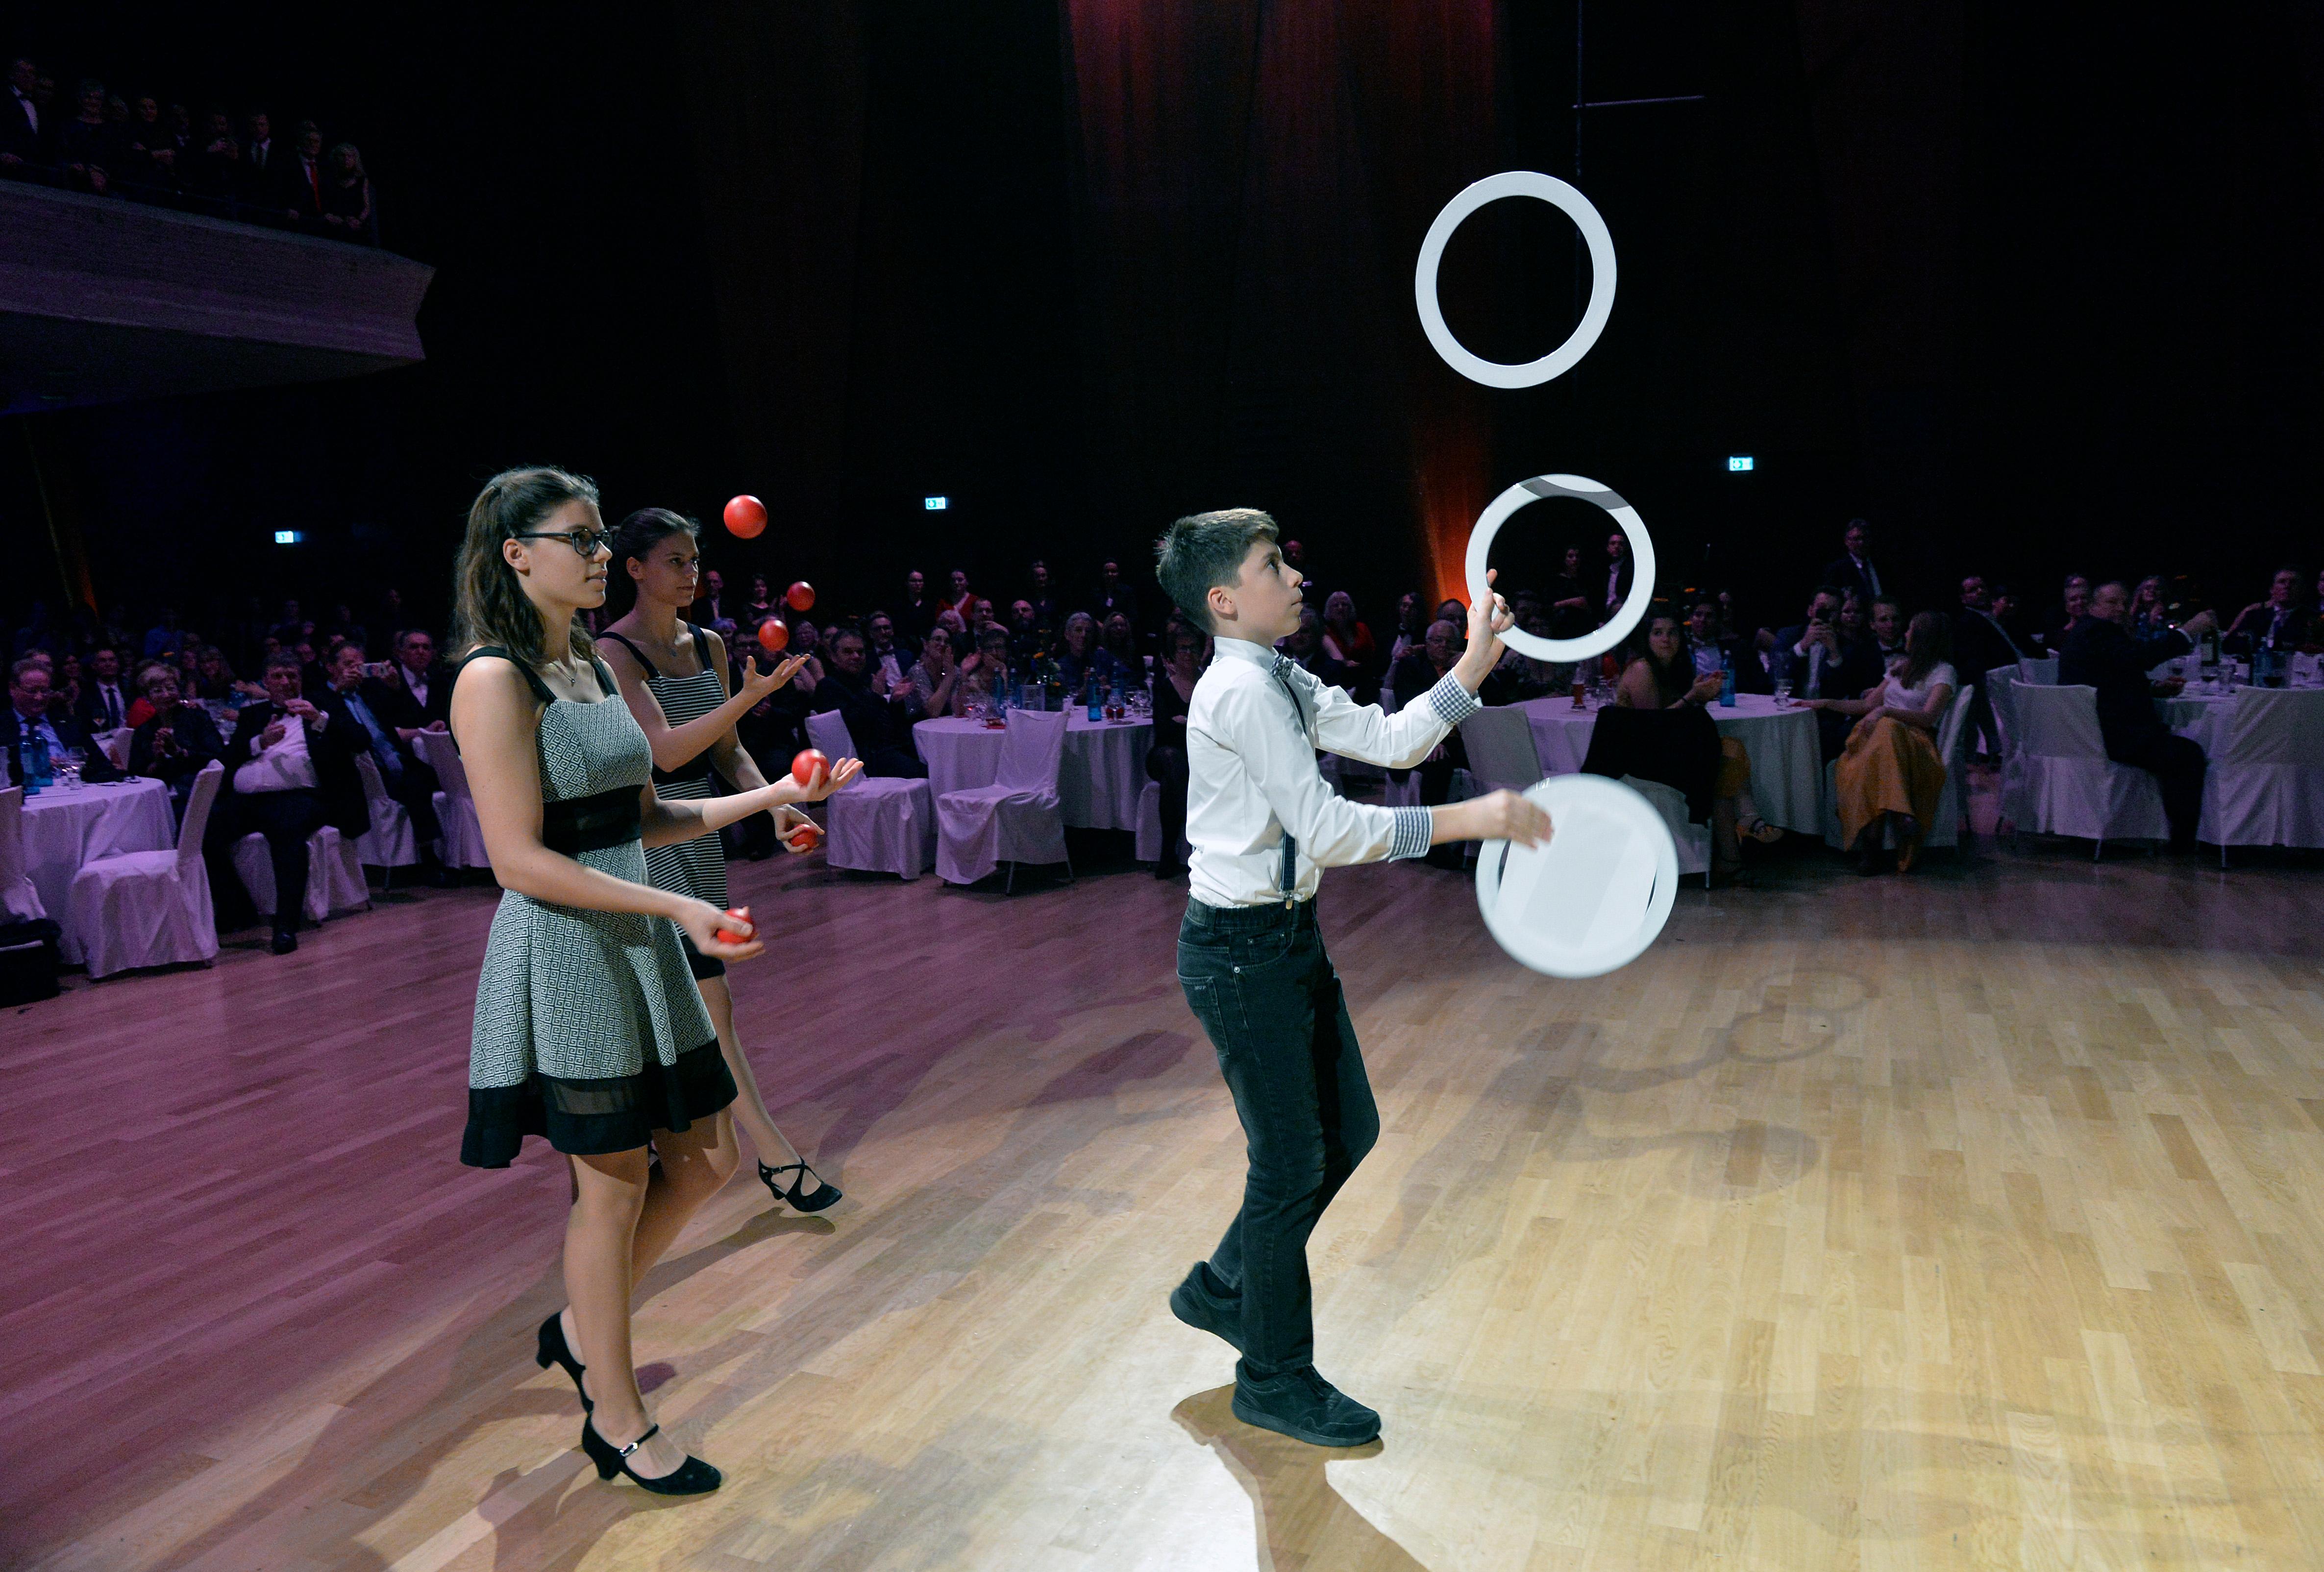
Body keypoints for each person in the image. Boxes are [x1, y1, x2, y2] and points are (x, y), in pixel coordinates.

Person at [449, 469, 860, 1498]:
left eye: (599, 538)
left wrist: (774, 791)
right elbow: (517, 860)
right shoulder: (494, 679)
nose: (597, 554)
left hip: (634, 931)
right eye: (578, 538)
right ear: (515, 553)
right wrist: (678, 909)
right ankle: (618, 1414)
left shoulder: (585, 661)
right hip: (571, 950)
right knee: (617, 1180)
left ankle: (585, 1326)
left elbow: (642, 818)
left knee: (711, 1155)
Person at [1153, 508, 1548, 1449]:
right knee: (1290, 1165)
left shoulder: (1275, 673)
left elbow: (1396, 737)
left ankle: (1223, 1285)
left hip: (1282, 941)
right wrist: (1464, 822)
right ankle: (1272, 1377)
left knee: (1348, 1131)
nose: (1294, 575)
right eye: (1271, 564)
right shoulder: (1241, 693)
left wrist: (1477, 662)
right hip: (1242, 952)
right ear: (1222, 599)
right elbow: (1327, 828)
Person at [596, 506, 853, 1215]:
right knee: (711, 1004)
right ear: (635, 569)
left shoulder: (708, 642)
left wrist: (773, 807)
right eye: (674, 561)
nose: (690, 573)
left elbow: (726, 751)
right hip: (647, 839)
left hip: (702, 832)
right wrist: (746, 697)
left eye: (694, 560)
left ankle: (654, 1135)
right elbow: (667, 751)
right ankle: (777, 1157)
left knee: (685, 1008)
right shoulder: (613, 655)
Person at [211, 651, 369, 953]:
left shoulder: (324, 704)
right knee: (204, 835)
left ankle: (285, 926)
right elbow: (225, 760)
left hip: (301, 797)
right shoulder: (252, 715)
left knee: (287, 837)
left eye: (292, 676)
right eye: (278, 676)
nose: (285, 681)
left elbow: (361, 741)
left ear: (301, 679)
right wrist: (260, 742)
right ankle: (238, 908)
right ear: (266, 682)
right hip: (247, 801)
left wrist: (318, 718)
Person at [1605, 614, 1778, 875]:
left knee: (1725, 758)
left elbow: (1678, 722)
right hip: (1639, 760)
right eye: (1658, 633)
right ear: (1647, 639)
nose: (1666, 639)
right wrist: (1693, 697)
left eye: (1672, 633)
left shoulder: (1673, 668)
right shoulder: (1643, 670)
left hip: (1663, 750)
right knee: (1725, 752)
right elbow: (1654, 728)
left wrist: (1701, 695)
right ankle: (1747, 822)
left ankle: (1733, 855)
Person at [2061, 582, 2217, 851]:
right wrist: (2188, 631)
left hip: (2096, 731)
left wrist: (2153, 688)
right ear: (2094, 606)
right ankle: (2185, 841)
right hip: (2112, 737)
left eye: (2124, 602)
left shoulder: (2092, 631)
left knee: (2178, 746)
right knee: (2188, 755)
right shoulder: (2097, 633)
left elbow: (2113, 675)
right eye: (2112, 603)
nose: (2121, 609)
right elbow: (2143, 658)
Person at [1803, 612, 1957, 872]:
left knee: (1886, 731)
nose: (1905, 634)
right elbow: (1867, 704)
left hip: (1914, 743)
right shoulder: (1900, 666)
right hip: (1874, 740)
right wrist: (1826, 703)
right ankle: (1900, 814)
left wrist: (1887, 712)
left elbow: (1929, 718)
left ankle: (1871, 843)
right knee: (1881, 742)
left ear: (1923, 638)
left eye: (1910, 630)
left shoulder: (1944, 671)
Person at [322, 641, 439, 843]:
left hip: (397, 759)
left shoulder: (370, 691)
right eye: (349, 664)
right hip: (361, 770)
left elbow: (405, 717)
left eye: (360, 665)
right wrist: (338, 690)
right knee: (416, 788)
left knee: (437, 777)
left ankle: (440, 851)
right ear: (331, 667)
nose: (356, 670)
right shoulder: (321, 697)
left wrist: (394, 687)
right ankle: (427, 856)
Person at [815, 626, 928, 776]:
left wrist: (895, 701)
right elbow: (853, 729)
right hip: (862, 761)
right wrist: (875, 696)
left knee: (935, 757)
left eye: (860, 652)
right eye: (848, 652)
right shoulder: (828, 687)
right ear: (833, 657)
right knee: (929, 773)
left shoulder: (866, 680)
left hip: (886, 751)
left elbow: (886, 724)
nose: (856, 656)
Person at [1146, 621, 1206, 879]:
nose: (1188, 653)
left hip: (1202, 754)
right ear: (1173, 654)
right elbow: (1163, 730)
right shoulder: (1163, 685)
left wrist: (1183, 720)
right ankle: (1177, 850)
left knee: (1176, 774)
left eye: (1193, 648)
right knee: (1172, 760)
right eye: (1183, 649)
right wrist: (1192, 722)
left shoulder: (1209, 682)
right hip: (1165, 753)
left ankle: (1171, 853)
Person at [126, 662, 223, 819]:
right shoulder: (144, 731)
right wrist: (158, 762)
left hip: (198, 796)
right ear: (147, 698)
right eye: (158, 691)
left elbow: (218, 756)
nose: (166, 695)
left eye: (171, 689)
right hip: (158, 798)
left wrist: (180, 753)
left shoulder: (197, 718)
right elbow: (136, 775)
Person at [1953, 575, 2022, 759]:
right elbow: (1977, 659)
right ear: (1963, 598)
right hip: (1996, 682)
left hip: (2013, 674)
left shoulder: (1994, 617)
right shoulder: (1968, 622)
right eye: (1973, 590)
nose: (1980, 592)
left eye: (1982, 587)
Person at [2225, 565, 2310, 653]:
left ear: (2302, 590)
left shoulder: (2313, 618)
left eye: (2293, 582)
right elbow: (2229, 644)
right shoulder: (2255, 615)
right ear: (2272, 590)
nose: (2287, 586)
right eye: (2282, 582)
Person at [904, 625, 963, 721]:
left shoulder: (955, 670)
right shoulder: (917, 672)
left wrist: (964, 673)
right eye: (937, 639)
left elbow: (958, 710)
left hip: (949, 726)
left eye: (947, 642)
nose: (943, 644)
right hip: (921, 728)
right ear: (926, 644)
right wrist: (949, 677)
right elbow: (932, 712)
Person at [1821, 518, 1882, 604]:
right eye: (1857, 539)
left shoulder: (1881, 566)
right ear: (1847, 541)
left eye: (1865, 538)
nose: (1861, 543)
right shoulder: (1838, 569)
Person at [320, 143, 372, 241]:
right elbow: (324, 202)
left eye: (350, 156)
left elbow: (367, 207)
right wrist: (329, 215)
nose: (346, 159)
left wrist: (358, 220)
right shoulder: (329, 179)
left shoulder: (361, 180)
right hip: (334, 223)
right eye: (343, 156)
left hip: (355, 224)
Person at [75, 646, 134, 733]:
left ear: (118, 664)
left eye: (112, 660)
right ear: (94, 666)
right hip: (100, 741)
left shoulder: (130, 689)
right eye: (103, 661)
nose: (108, 664)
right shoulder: (87, 694)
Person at [280, 120, 324, 227]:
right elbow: (281, 188)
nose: (312, 144)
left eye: (316, 142)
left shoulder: (324, 168)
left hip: (320, 224)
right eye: (309, 141)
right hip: (295, 221)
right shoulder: (288, 162)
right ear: (301, 141)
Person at [1600, 529, 1634, 623]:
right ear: (1608, 548)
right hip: (1606, 615)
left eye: (1621, 544)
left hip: (1624, 614)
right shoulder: (1604, 571)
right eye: (1613, 543)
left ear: (1625, 548)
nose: (1617, 547)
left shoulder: (1631, 569)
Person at [894, 569, 933, 649]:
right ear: (907, 583)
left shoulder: (930, 605)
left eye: (920, 581)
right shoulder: (899, 606)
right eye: (914, 581)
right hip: (906, 647)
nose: (918, 584)